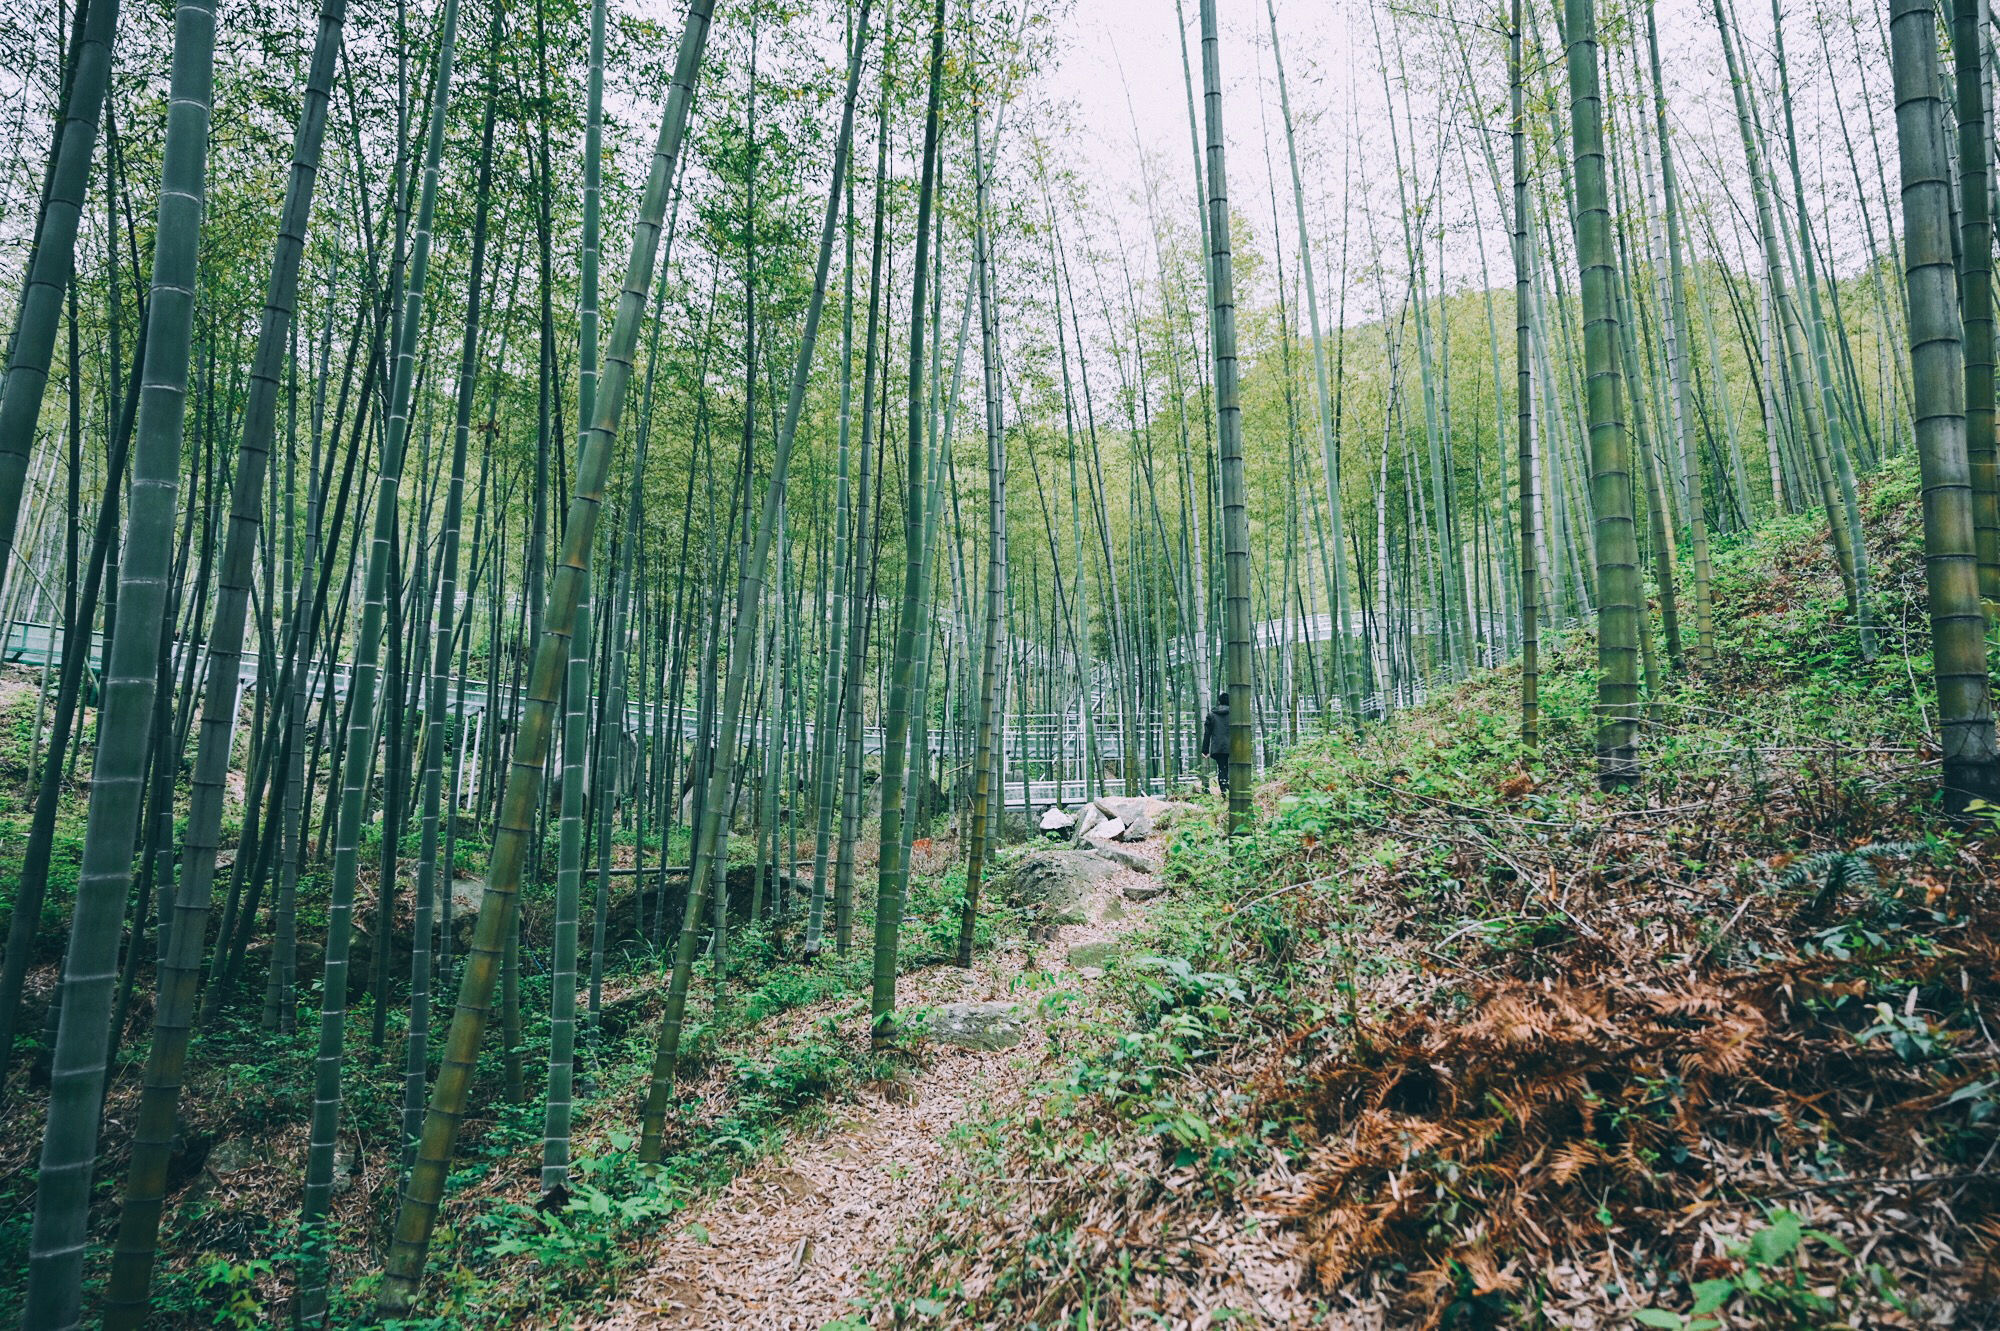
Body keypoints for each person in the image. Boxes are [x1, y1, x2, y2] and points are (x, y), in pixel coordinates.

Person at [1200, 692, 1231, 794]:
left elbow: (1207, 733)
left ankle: (1224, 792)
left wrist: (1205, 750)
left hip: (1218, 748)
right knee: (1233, 769)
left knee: (1222, 769)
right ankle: (1233, 792)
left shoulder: (1212, 714)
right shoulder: (1235, 714)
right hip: (1233, 747)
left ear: (1219, 701)